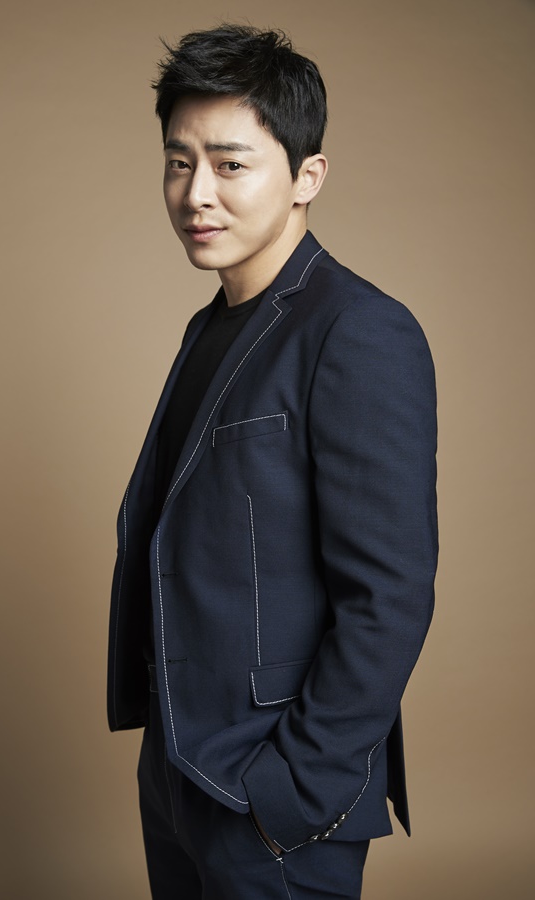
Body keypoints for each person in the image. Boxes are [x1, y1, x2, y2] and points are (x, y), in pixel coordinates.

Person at [107, 24, 438, 900]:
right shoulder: (210, 326)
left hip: (272, 794)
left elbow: (390, 596)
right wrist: (166, 759)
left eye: (230, 164)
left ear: (307, 177)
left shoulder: (359, 331)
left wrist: (291, 792)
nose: (196, 194)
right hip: (181, 771)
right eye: (178, 163)